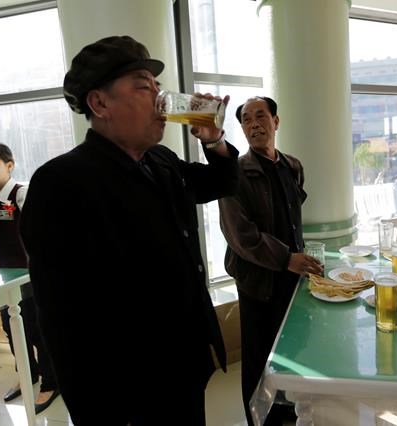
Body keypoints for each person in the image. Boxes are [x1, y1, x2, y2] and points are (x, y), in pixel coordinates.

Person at [19, 36, 239, 425]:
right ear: (99, 103)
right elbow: (59, 314)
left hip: (185, 360)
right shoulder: (61, 181)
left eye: (157, 87)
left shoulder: (161, 160)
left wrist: (215, 139)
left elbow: (220, 183)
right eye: (142, 86)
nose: (160, 98)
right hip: (125, 388)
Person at [218, 96, 323, 425]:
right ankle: (258, 419)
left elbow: (292, 215)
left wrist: (297, 259)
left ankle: (288, 409)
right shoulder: (234, 174)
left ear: (276, 121)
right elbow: (240, 236)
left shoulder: (293, 166)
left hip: (291, 277)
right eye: (246, 119)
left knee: (290, 349)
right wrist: (287, 258)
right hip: (257, 282)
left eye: (260, 116)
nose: (253, 124)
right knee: (258, 356)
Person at [0, 141, 59, 414]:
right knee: (12, 330)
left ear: (9, 165)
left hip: (32, 277)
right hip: (2, 280)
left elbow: (44, 236)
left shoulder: (23, 194)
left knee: (38, 330)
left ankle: (51, 383)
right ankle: (27, 375)